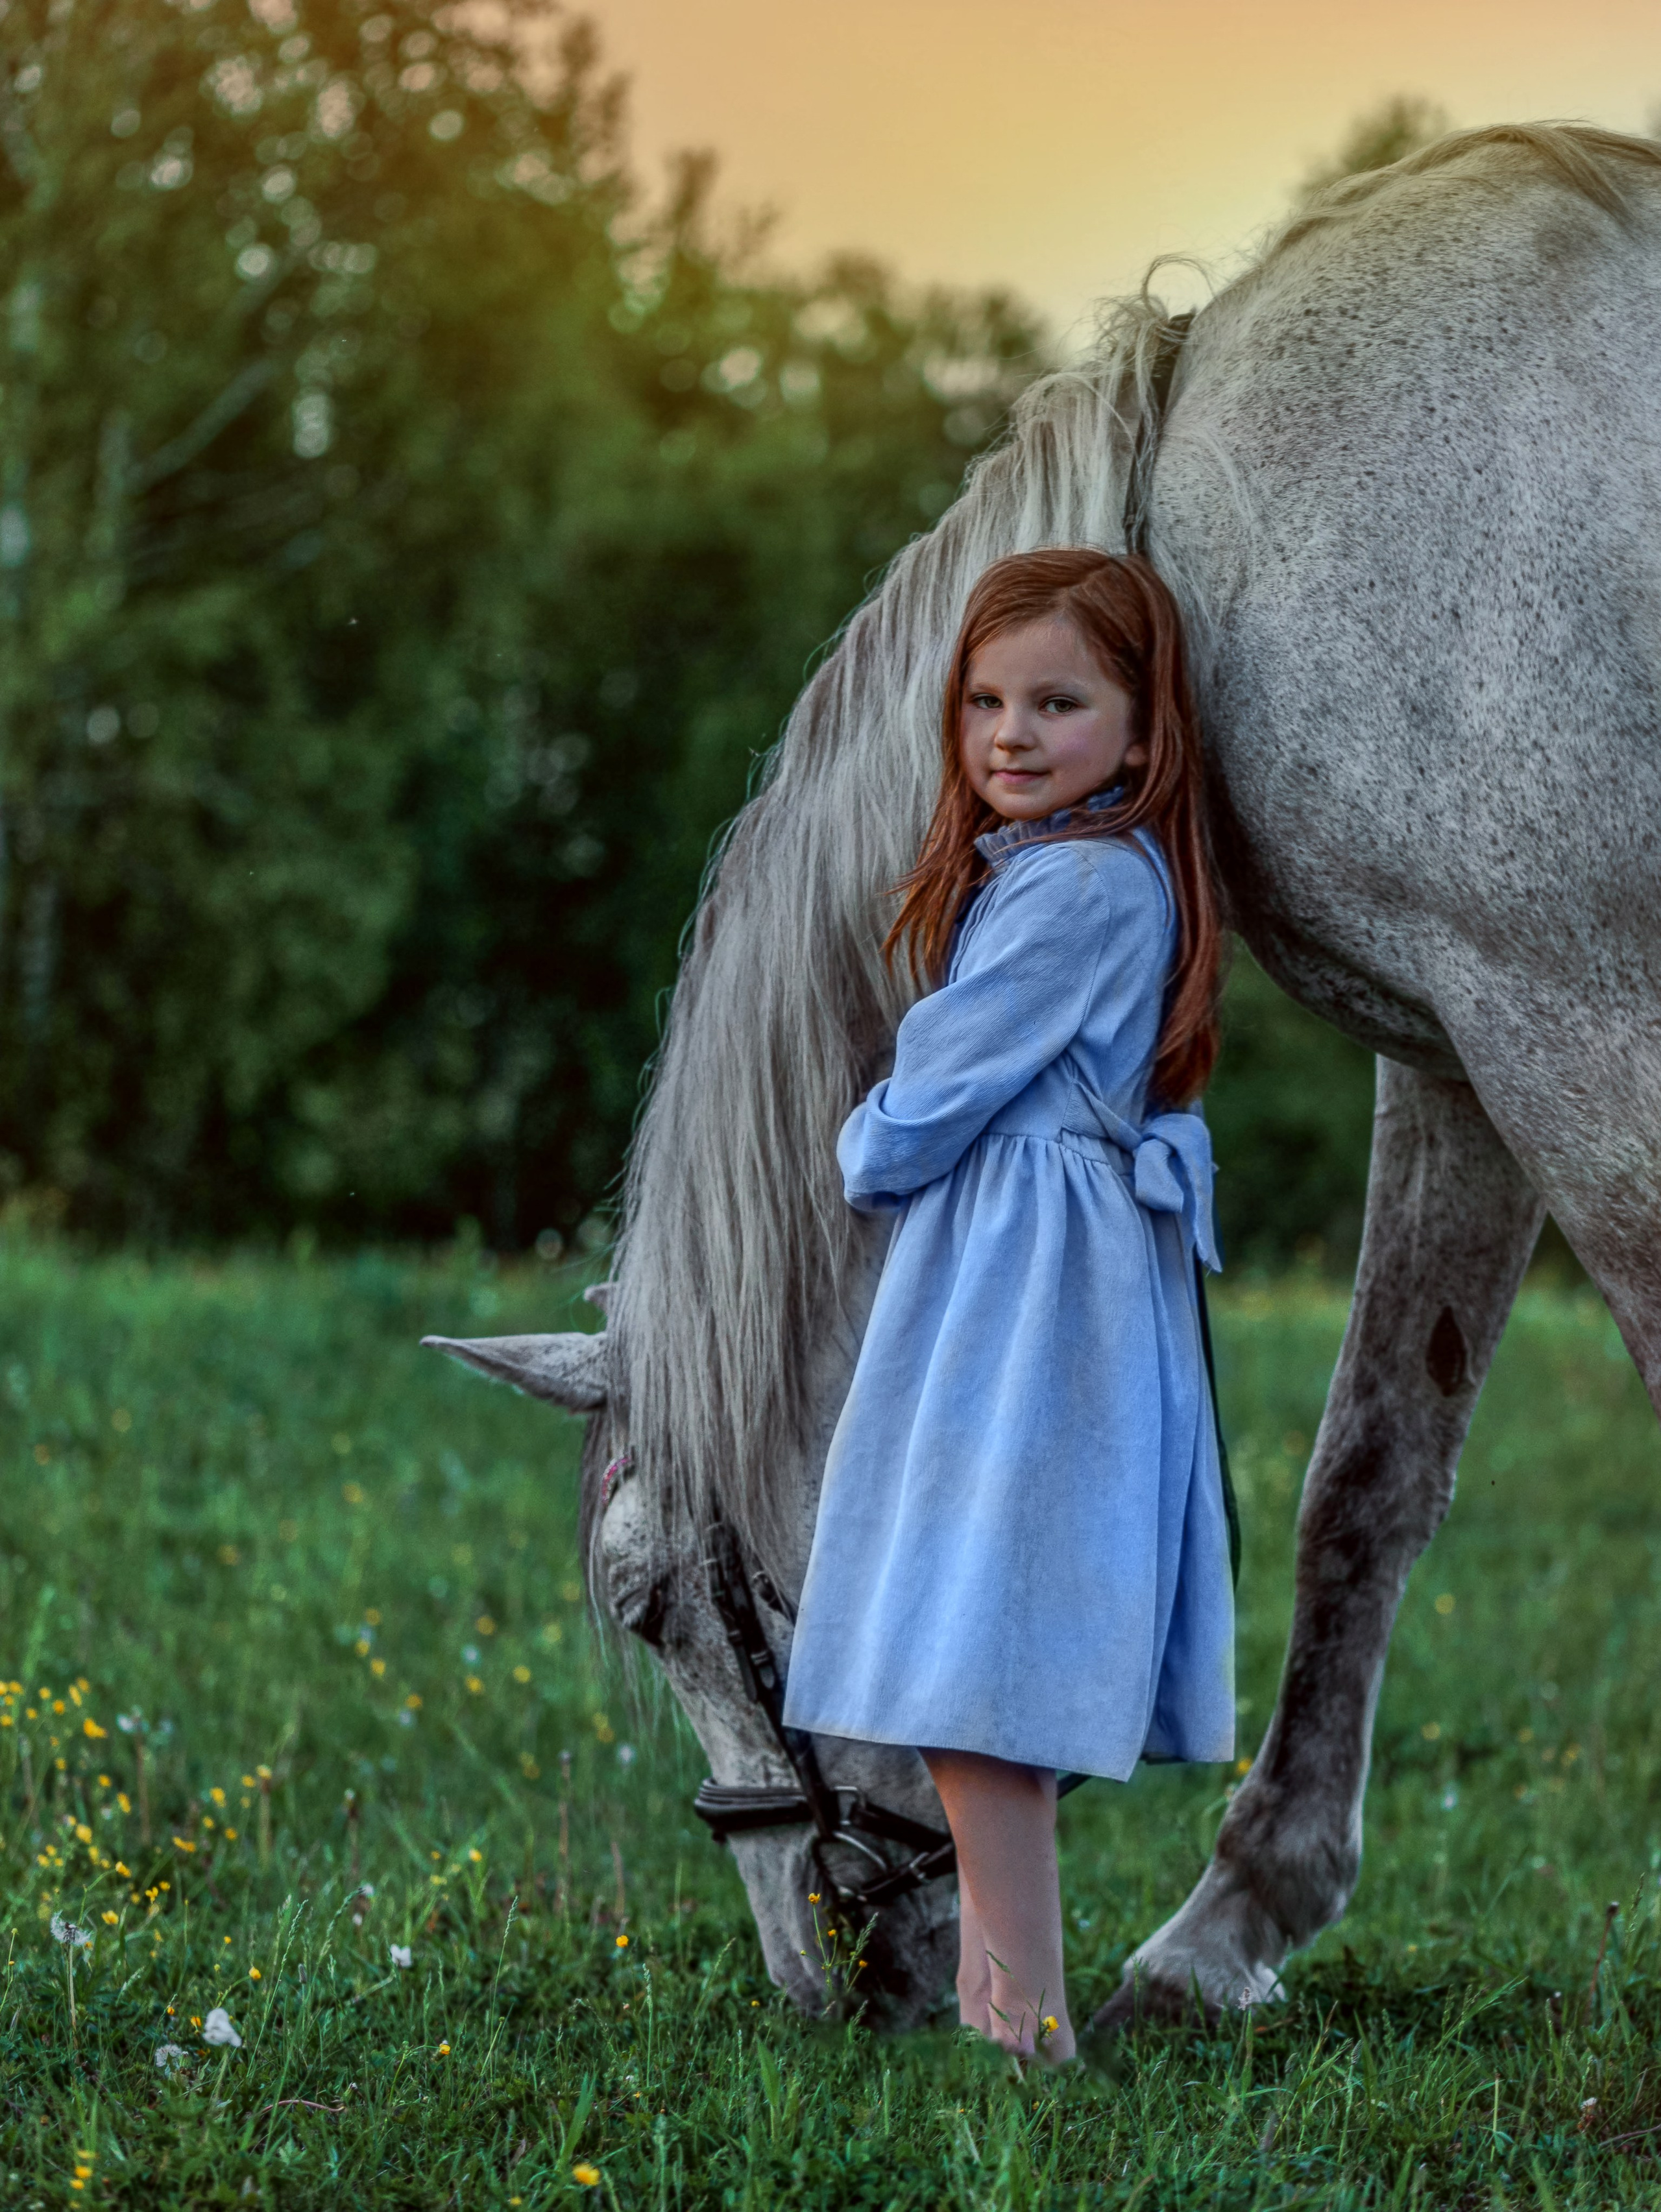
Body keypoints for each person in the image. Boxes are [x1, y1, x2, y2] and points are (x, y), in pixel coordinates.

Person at [781, 547, 1235, 2062]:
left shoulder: (1088, 885)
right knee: (966, 1680)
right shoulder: (1048, 873)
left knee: (981, 1676)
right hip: (1009, 1268)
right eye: (983, 701)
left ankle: (1027, 2033)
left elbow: (936, 1087)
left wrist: (859, 1146)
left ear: (1141, 730)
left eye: (1057, 701)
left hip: (1031, 1294)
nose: (1008, 736)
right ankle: (1004, 2017)